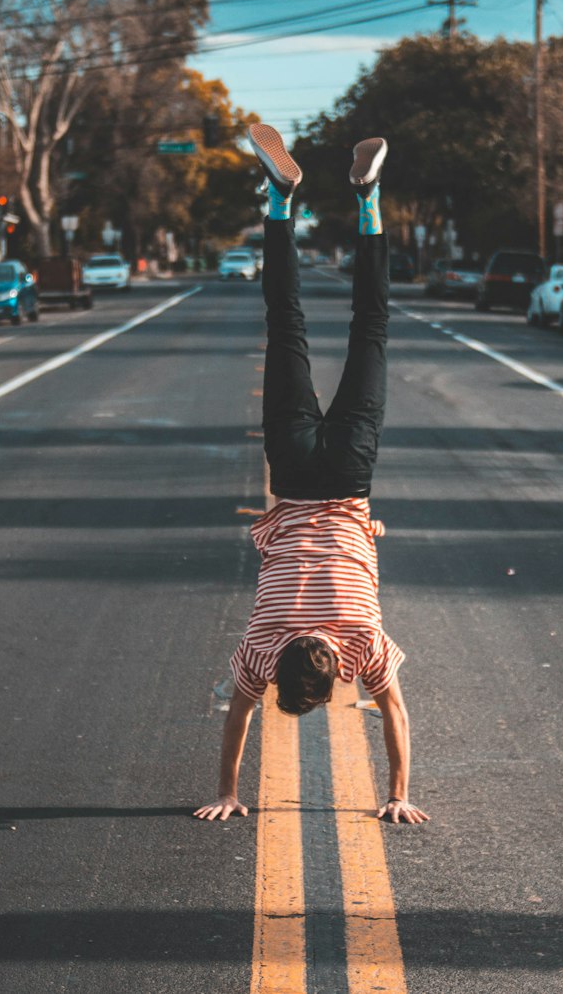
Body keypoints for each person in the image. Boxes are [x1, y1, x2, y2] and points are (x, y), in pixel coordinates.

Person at [195, 123, 429, 826]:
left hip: (350, 472)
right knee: (284, 323)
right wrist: (227, 791)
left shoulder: (361, 638)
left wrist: (398, 795)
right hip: (294, 472)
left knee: (372, 327)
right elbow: (237, 715)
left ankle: (368, 199)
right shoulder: (264, 641)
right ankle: (279, 199)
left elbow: (395, 712)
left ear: (331, 671)